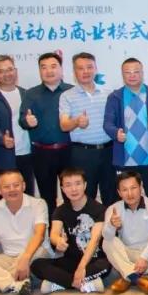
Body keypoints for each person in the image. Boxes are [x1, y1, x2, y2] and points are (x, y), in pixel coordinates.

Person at [31, 168, 110, 293]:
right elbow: (54, 234)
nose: (73, 189)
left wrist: (82, 267)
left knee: (106, 266)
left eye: (78, 184)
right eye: (68, 185)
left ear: (85, 185)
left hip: (92, 260)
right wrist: (58, 241)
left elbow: (94, 241)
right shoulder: (60, 210)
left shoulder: (99, 209)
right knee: (37, 265)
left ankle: (59, 283)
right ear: (62, 189)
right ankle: (83, 284)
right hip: (71, 260)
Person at [19, 52, 73, 214]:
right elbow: (22, 119)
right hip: (42, 153)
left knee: (72, 194)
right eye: (44, 67)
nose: (49, 71)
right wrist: (27, 121)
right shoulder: (31, 94)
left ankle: (71, 226)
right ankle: (50, 227)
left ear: (61, 69)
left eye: (53, 66)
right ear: (40, 71)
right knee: (47, 196)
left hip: (68, 151)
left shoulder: (71, 91)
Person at [59, 52, 115, 203]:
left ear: (96, 69)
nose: (85, 71)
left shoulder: (108, 93)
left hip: (108, 151)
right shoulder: (67, 96)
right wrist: (76, 122)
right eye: (80, 68)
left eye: (89, 67)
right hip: (82, 154)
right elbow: (64, 125)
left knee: (111, 194)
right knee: (85, 197)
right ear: (74, 72)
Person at [103, 171, 148, 295]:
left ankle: (127, 275)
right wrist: (111, 225)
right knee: (107, 241)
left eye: (133, 188)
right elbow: (106, 236)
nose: (130, 193)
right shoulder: (113, 209)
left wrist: (144, 257)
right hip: (130, 256)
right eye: (124, 190)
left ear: (141, 187)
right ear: (119, 193)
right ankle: (136, 278)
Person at [105, 58, 148, 197]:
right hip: (126, 159)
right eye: (128, 72)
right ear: (122, 74)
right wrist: (116, 133)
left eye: (136, 72)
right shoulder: (115, 97)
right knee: (128, 198)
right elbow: (107, 123)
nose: (132, 75)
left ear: (142, 73)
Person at [0, 55, 33, 195]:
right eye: (1, 71)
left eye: (10, 69)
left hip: (26, 153)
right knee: (6, 197)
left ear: (15, 71)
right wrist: (2, 139)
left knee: (28, 195)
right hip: (4, 156)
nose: (7, 74)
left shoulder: (26, 94)